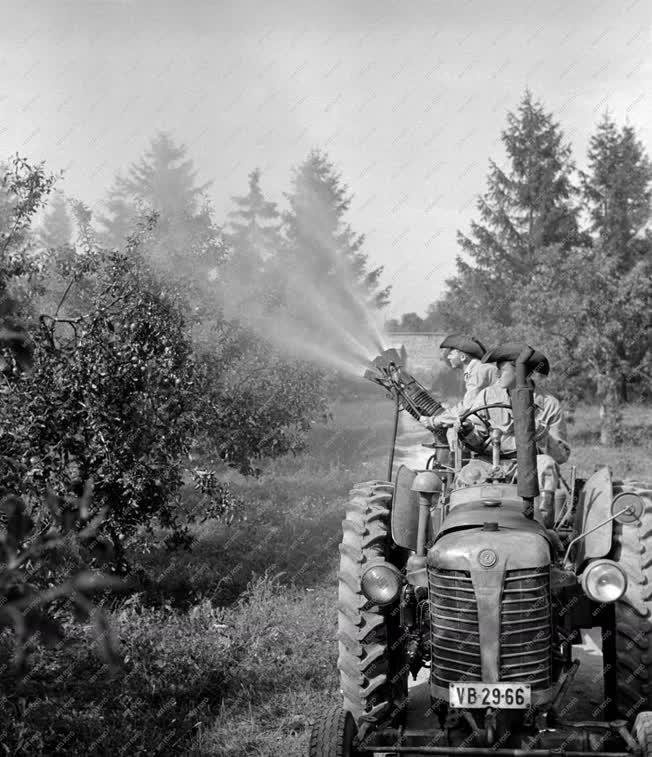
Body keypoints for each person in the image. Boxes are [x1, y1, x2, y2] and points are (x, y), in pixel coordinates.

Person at [458, 343, 570, 505]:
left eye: (501, 370)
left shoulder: (549, 404)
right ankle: (464, 522)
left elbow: (561, 456)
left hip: (528, 464)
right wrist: (468, 430)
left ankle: (543, 522)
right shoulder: (486, 396)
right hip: (488, 461)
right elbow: (476, 439)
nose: (496, 375)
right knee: (468, 474)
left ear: (521, 372)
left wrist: (541, 434)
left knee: (546, 465)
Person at [418, 334, 498, 430]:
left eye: (451, 354)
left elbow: (468, 407)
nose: (448, 357)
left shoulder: (478, 371)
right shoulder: (477, 369)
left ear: (463, 357)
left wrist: (435, 421)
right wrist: (446, 415)